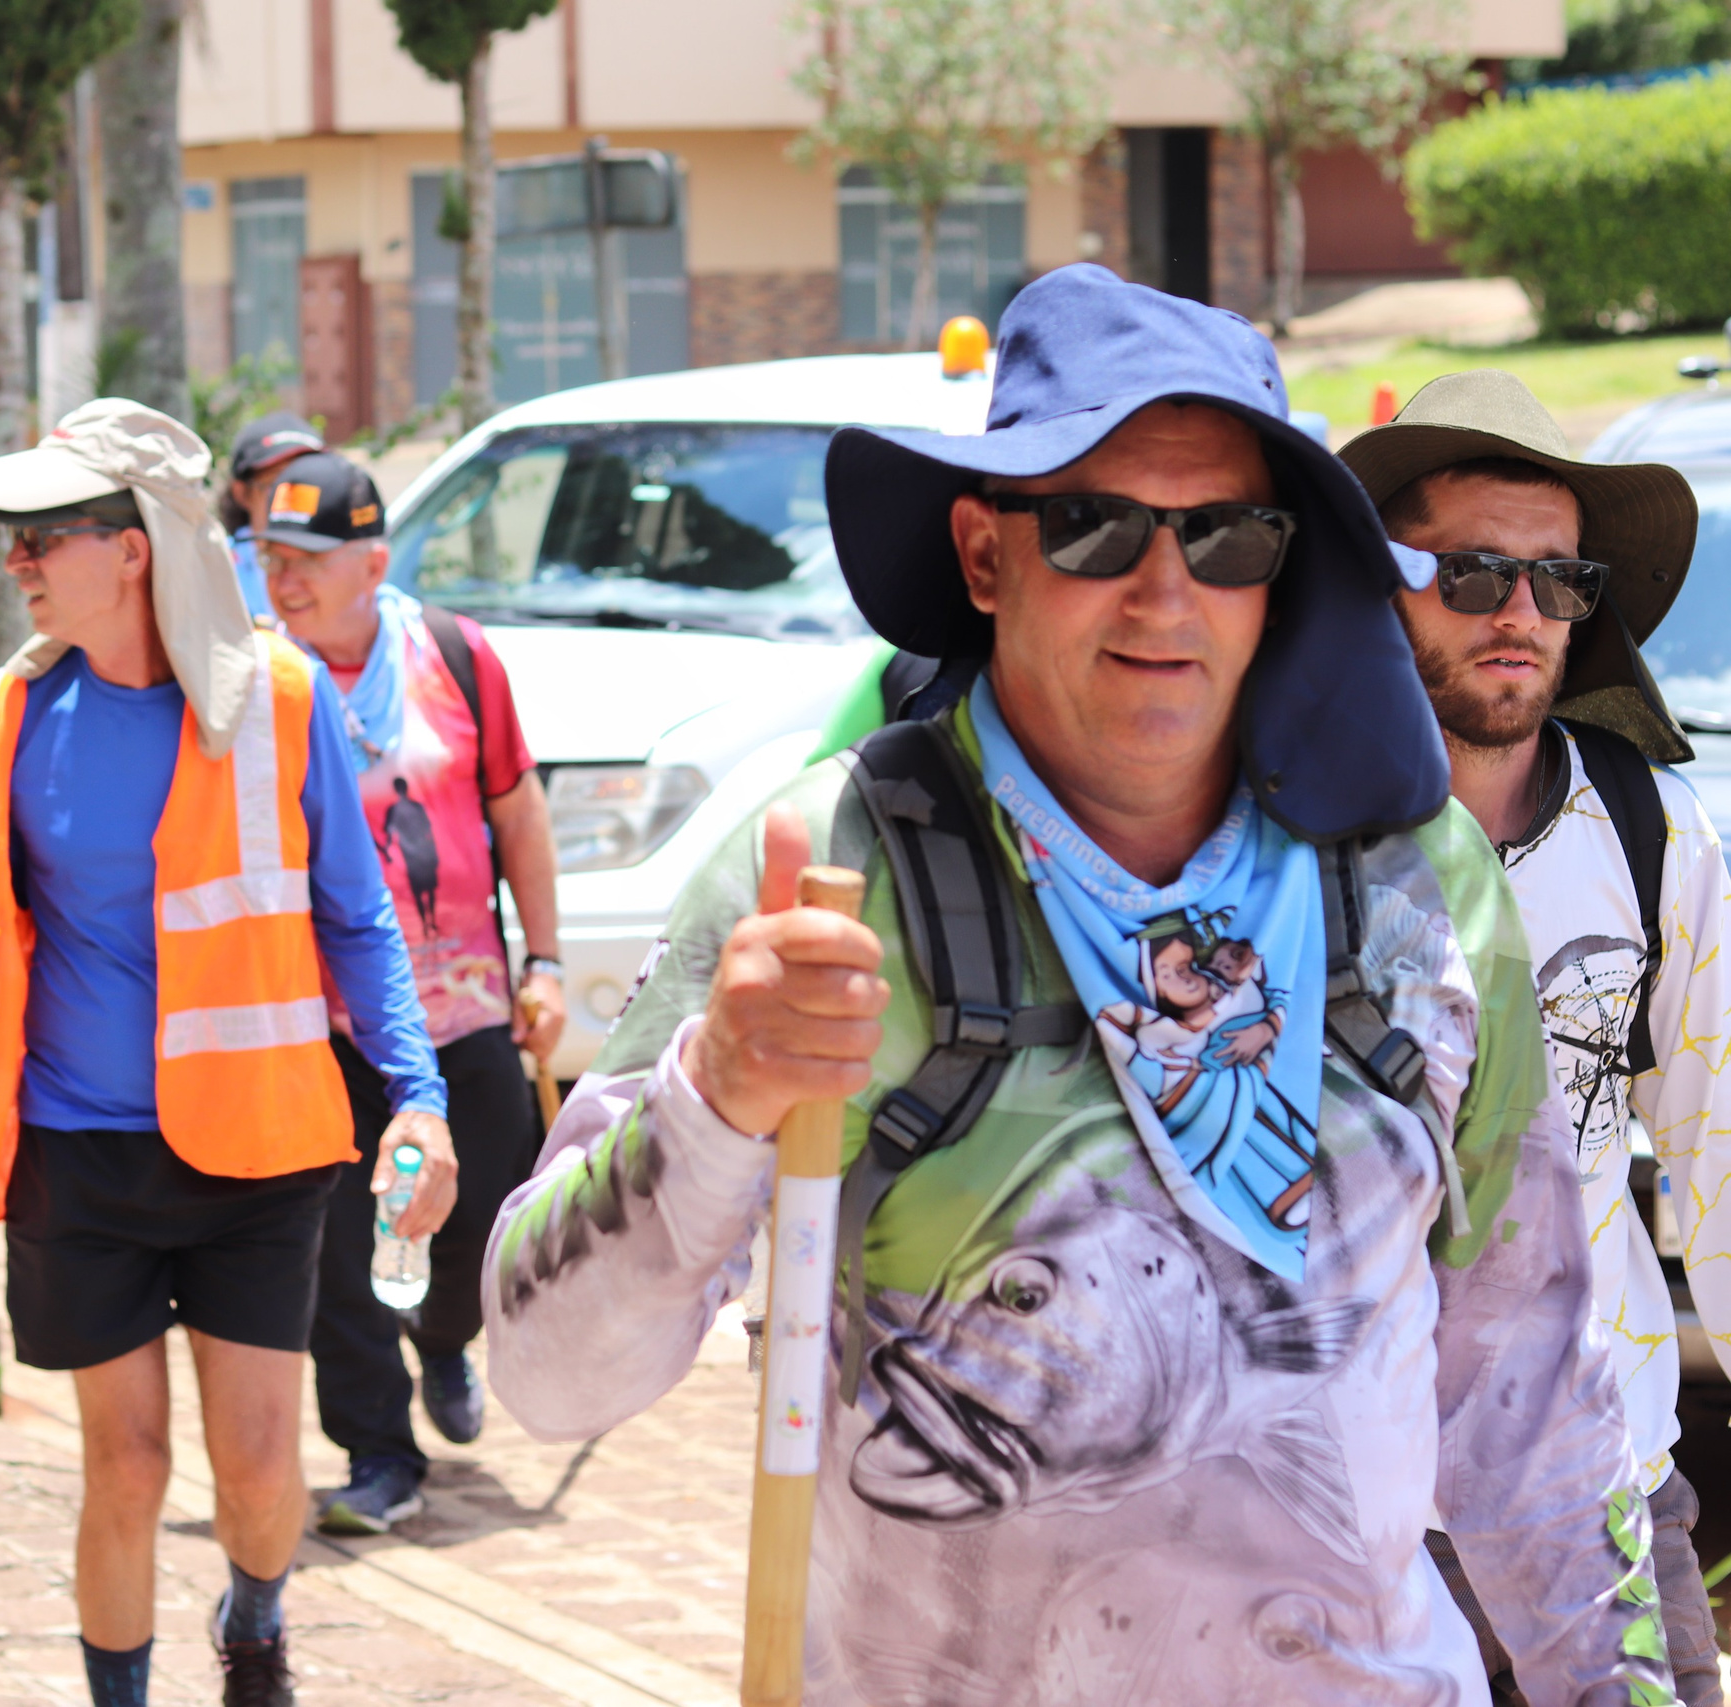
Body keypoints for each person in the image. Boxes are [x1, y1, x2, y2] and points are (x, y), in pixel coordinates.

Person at [482, 266, 1669, 1704]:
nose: (1168, 590)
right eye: (1096, 524)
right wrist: (716, 1100)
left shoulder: (1421, 884)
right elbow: (547, 1373)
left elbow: (1529, 1401)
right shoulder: (837, 873)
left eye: (1230, 534)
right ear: (986, 555)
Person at [0, 399, 449, 1707]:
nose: (18, 560)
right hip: (79, 1151)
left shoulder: (280, 701)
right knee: (128, 1462)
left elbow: (356, 913)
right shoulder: (6, 715)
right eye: (16, 535)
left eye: (44, 532)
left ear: (137, 546)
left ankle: (256, 1620)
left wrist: (419, 1095)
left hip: (260, 1144)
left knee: (263, 1469)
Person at [1343, 369, 1731, 1707]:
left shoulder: (1654, 829)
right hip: (1359, 1531)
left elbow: (1718, 1140)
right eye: (1472, 572)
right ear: (1379, 582)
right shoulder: (1285, 842)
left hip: (1611, 1497)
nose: (1519, 611)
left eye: (1557, 581)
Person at [253, 450, 566, 1535]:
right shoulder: (261, 682)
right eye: (267, 555)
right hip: (321, 1022)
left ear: (374, 562)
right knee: (336, 1247)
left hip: (467, 1006)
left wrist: (548, 962)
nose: (283, 578)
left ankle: (443, 1334)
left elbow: (518, 815)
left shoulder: (453, 657)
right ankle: (376, 1450)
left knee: (480, 1223)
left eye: (308, 560)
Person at [219, 411, 324, 619]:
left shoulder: (346, 560)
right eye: (277, 483)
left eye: (310, 481)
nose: (295, 494)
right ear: (242, 494)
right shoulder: (215, 571)